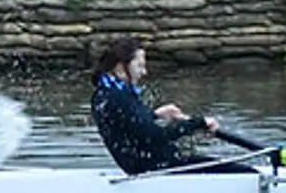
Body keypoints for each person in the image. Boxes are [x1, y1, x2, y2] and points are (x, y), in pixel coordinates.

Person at [90, 37, 250, 175]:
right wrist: (198, 123)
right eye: (140, 66)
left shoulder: (105, 93)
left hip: (152, 166)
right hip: (157, 169)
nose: (144, 72)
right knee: (247, 174)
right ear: (120, 67)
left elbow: (131, 128)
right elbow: (156, 137)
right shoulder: (117, 97)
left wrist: (155, 115)